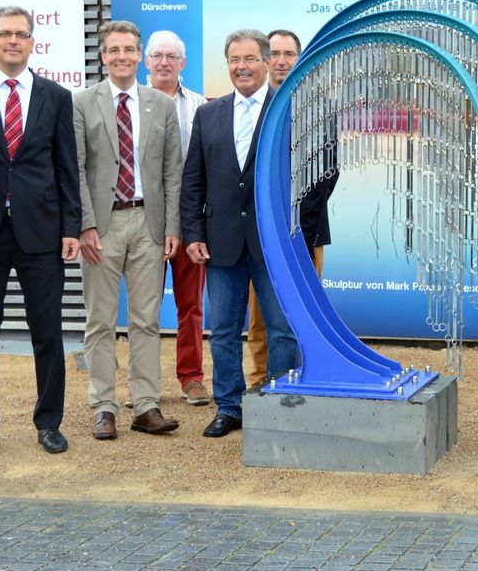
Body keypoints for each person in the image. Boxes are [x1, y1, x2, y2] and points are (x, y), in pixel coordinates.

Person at [0, 6, 81, 458]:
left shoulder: (56, 96)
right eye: (4, 33)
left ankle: (49, 422)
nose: (12, 41)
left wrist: (71, 227)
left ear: (32, 42)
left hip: (41, 233)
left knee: (48, 331)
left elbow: (67, 166)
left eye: (21, 34)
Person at [180, 29, 301, 438]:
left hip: (273, 244)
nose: (242, 66)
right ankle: (229, 407)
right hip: (221, 241)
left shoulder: (288, 110)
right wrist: (193, 233)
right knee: (225, 332)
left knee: (280, 328)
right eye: (234, 59)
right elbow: (192, 180)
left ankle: (281, 403)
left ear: (266, 62)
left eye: (250, 58)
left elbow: (307, 179)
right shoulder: (208, 114)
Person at [74, 20, 183, 440]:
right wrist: (85, 224)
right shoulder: (83, 103)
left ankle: (146, 405)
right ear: (103, 56)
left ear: (140, 56)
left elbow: (172, 170)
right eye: (113, 49)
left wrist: (172, 226)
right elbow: (78, 169)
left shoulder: (161, 104)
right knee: (100, 320)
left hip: (149, 225)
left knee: (146, 320)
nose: (122, 56)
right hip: (102, 225)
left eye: (129, 49)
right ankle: (104, 406)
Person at [244, 28, 336, 387]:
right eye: (275, 54)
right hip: (259, 233)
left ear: (300, 59)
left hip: (304, 231)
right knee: (260, 314)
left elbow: (327, 172)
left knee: (304, 309)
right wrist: (266, 222)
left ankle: (302, 375)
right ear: (266, 60)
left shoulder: (317, 106)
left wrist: (294, 224)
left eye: (289, 54)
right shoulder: (250, 107)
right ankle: (258, 378)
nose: (282, 61)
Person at [144, 29, 210, 407]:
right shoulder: (131, 104)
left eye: (171, 56)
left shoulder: (201, 106)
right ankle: (146, 384)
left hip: (189, 223)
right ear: (146, 61)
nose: (164, 62)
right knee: (143, 308)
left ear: (183, 63)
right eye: (157, 55)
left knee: (191, 306)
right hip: (146, 223)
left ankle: (191, 378)